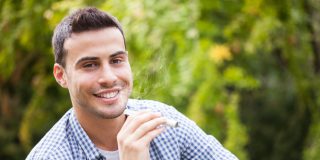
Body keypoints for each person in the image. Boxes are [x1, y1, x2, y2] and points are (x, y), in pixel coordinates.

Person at [26, 7, 238, 160]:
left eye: (116, 60)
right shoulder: (51, 155)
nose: (109, 77)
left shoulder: (165, 124)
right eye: (90, 65)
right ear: (61, 75)